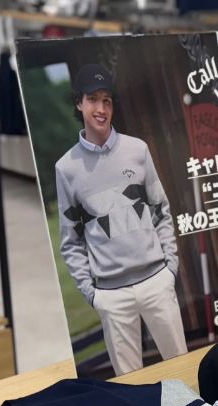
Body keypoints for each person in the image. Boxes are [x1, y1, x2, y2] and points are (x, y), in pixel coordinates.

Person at [55, 64, 187, 377]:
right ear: (79, 103)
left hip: (156, 281)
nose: (101, 109)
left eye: (107, 100)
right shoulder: (66, 168)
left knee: (183, 371)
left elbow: (161, 210)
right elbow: (70, 241)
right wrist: (92, 294)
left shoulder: (137, 150)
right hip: (110, 296)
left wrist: (169, 269)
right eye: (92, 100)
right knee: (130, 386)